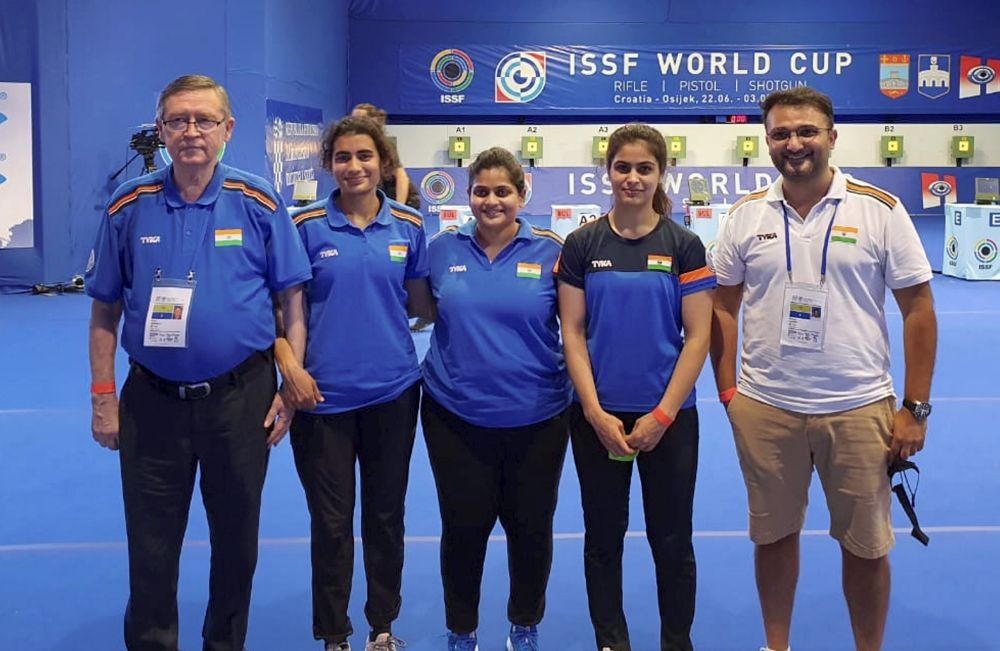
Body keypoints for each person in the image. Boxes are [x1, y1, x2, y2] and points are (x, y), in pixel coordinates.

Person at [86, 74, 312, 651]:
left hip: (241, 400)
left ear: (227, 130)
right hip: (151, 403)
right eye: (178, 120)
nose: (191, 132)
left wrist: (287, 391)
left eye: (204, 120)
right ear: (160, 129)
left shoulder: (259, 201)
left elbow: (292, 301)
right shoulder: (130, 203)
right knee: (151, 547)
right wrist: (104, 398)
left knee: (237, 544)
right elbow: (105, 310)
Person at [709, 87, 937, 651]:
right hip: (767, 408)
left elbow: (919, 310)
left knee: (865, 546)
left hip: (860, 408)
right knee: (773, 536)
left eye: (807, 131)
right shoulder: (744, 216)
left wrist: (914, 409)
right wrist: (728, 392)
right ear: (766, 141)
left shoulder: (879, 209)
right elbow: (721, 306)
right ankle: (776, 645)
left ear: (832, 137)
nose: (795, 143)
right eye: (781, 133)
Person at [278, 115, 434, 651]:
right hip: (322, 400)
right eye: (342, 157)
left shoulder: (410, 226)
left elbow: (420, 305)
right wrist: (289, 372)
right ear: (328, 165)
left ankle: (381, 627)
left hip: (393, 394)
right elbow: (281, 315)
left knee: (387, 516)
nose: (354, 167)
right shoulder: (303, 227)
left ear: (383, 163)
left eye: (364, 156)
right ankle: (334, 633)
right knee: (331, 522)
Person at [556, 124, 715, 651]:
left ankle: (677, 641)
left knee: (672, 541)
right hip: (598, 420)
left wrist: (664, 415)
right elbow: (573, 334)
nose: (632, 178)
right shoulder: (582, 244)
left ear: (661, 174)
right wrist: (596, 413)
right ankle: (611, 641)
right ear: (607, 171)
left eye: (644, 168)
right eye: (623, 167)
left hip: (668, 420)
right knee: (603, 539)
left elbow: (698, 338)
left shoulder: (684, 245)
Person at [421, 147, 571, 651]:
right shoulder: (441, 249)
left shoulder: (552, 251)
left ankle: (524, 623)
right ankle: (461, 630)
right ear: (468, 196)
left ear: (522, 195)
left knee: (531, 529)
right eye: (481, 191)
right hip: (454, 417)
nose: (491, 201)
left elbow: (578, 329)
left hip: (539, 416)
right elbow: (419, 310)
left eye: (502, 191)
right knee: (463, 529)